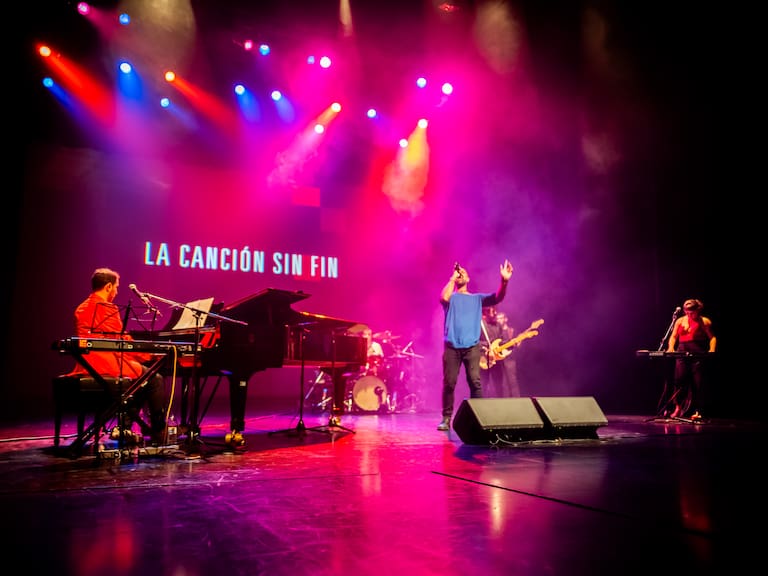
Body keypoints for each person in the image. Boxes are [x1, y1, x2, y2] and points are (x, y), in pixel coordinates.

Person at [66, 267, 168, 445]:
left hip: (86, 364)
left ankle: (125, 426)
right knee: (155, 379)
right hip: (105, 364)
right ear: (107, 287)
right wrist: (149, 355)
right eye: (116, 287)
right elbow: (122, 341)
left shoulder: (82, 307)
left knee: (140, 381)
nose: (116, 291)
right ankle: (158, 432)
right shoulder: (106, 308)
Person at [437, 260, 514, 431]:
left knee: (475, 382)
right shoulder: (451, 297)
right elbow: (443, 297)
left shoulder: (477, 299)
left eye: (463, 272)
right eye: (459, 272)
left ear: (469, 278)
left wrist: (504, 281)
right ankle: (446, 418)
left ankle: (478, 418)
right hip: (452, 346)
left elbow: (498, 297)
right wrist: (452, 279)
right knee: (449, 383)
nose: (461, 273)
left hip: (472, 347)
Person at [666, 298, 717, 420]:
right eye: (687, 312)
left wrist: (712, 349)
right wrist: (671, 347)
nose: (689, 315)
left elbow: (712, 337)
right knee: (679, 380)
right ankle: (678, 407)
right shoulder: (679, 321)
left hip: (697, 351)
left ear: (697, 310)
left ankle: (698, 410)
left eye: (692, 312)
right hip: (682, 350)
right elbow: (673, 337)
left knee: (698, 382)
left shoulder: (704, 321)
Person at [479, 306, 521, 398]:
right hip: (483, 359)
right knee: (482, 386)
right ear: (485, 313)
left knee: (499, 386)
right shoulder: (478, 325)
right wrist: (486, 346)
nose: (495, 313)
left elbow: (502, 341)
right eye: (492, 311)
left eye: (495, 311)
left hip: (497, 360)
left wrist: (511, 344)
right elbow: (474, 342)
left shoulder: (498, 325)